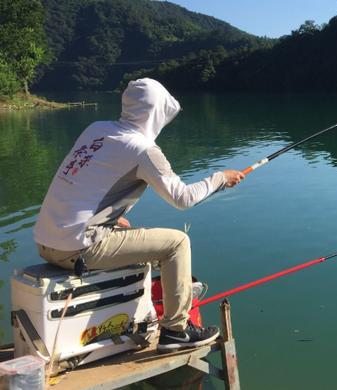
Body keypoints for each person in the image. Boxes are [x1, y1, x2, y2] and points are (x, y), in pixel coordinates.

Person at [33, 78, 245, 352]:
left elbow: (84, 184)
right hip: (78, 246)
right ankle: (176, 330)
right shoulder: (143, 150)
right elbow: (182, 198)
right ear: (156, 113)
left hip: (46, 242)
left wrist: (108, 216)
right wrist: (220, 178)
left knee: (134, 233)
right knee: (176, 243)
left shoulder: (96, 130)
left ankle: (137, 312)